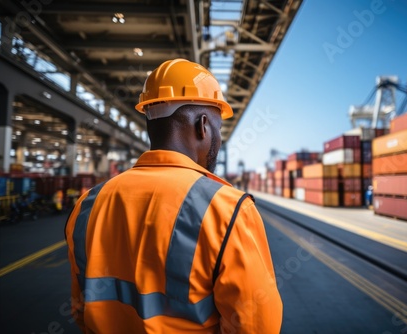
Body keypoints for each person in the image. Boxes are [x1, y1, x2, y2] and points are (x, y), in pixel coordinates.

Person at [65, 58, 282, 333]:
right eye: (218, 128)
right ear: (203, 125)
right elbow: (256, 326)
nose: (219, 138)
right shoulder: (227, 210)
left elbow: (80, 309)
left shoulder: (88, 205)